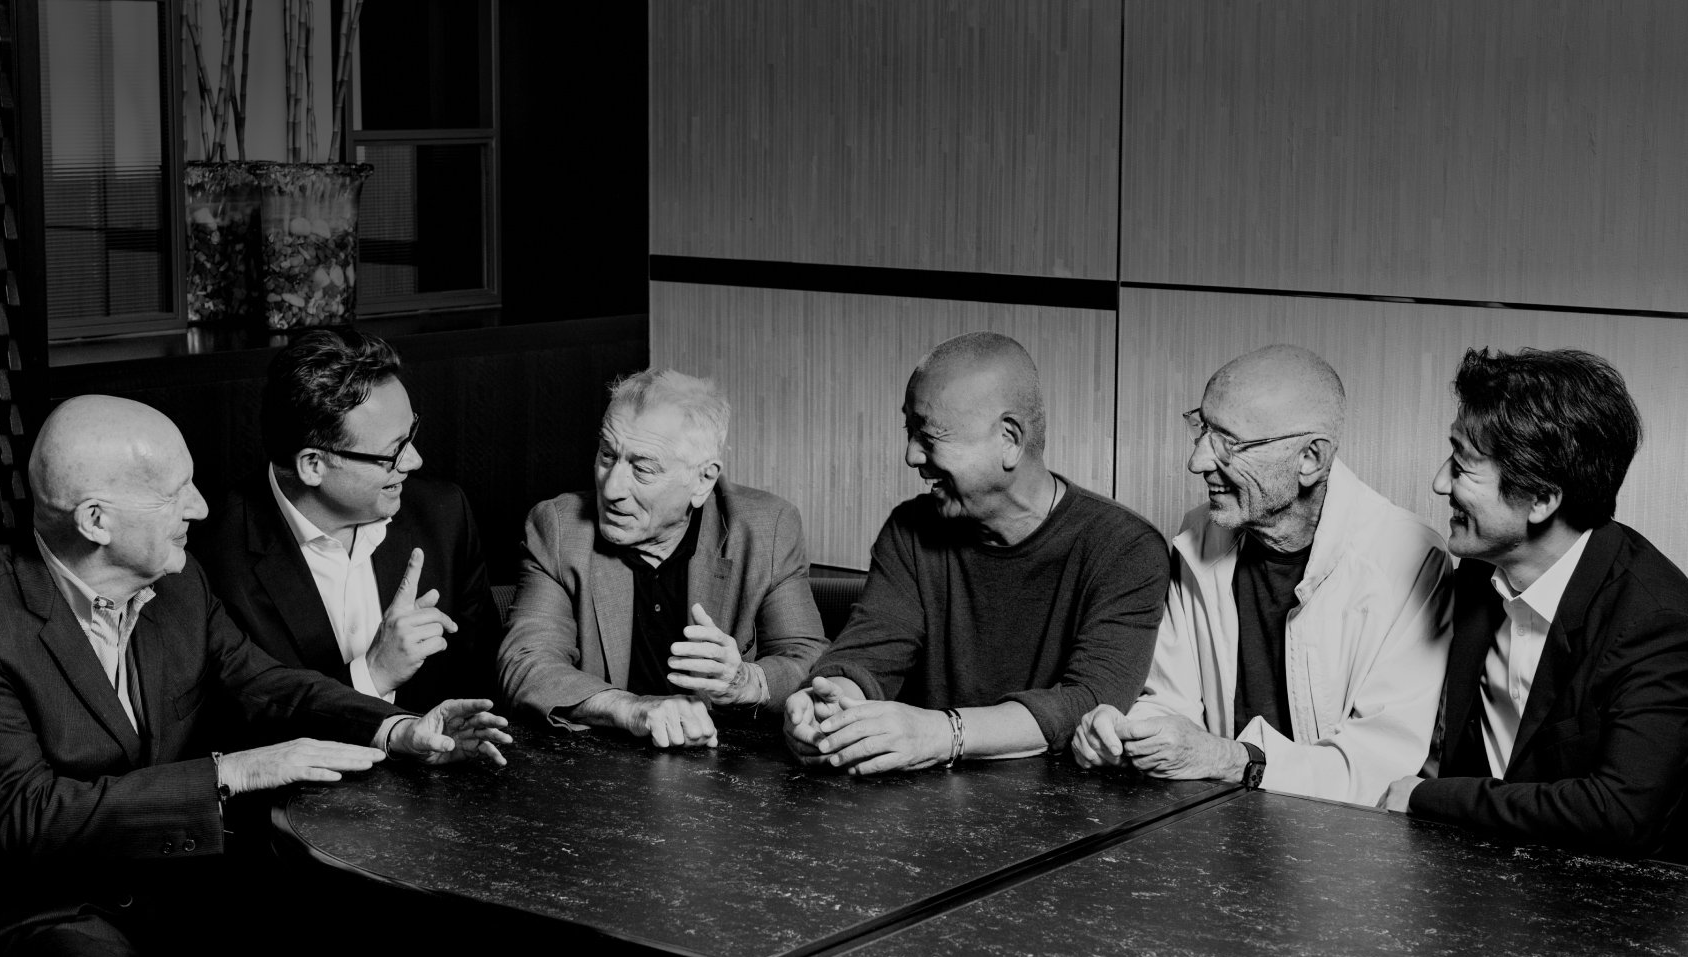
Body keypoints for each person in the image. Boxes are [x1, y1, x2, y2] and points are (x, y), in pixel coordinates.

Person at [0, 395, 510, 957]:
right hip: (24, 912)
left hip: (168, 889)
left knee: (364, 944)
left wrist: (398, 730)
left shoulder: (179, 583)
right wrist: (229, 772)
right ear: (95, 520)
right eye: (175, 492)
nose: (201, 506)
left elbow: (267, 685)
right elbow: (26, 816)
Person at [1384, 348, 1688, 865]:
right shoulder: (1479, 571)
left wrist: (1426, 798)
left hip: (1627, 913)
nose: (1438, 483)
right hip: (1488, 882)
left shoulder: (1658, 623)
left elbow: (1621, 815)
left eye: (1463, 466)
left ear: (1542, 499)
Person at [1072, 345, 1450, 806]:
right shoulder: (1198, 537)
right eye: (1202, 429)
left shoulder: (1411, 559)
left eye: (1229, 442)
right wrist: (1121, 731)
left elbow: (1380, 770)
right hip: (1214, 833)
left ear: (1310, 458)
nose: (1198, 461)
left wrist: (1233, 760)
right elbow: (1171, 702)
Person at [783, 332, 1169, 776]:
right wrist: (826, 702)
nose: (911, 456)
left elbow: (1089, 700)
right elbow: (870, 654)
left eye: (929, 436)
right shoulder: (910, 528)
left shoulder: (1126, 547)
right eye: (909, 432)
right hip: (922, 808)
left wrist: (941, 734)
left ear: (1009, 439)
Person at [498, 369, 826, 747]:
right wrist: (632, 709)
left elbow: (807, 659)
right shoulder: (558, 527)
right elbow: (525, 664)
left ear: (703, 480)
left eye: (643, 469)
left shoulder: (766, 528)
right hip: (599, 764)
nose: (612, 487)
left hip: (726, 771)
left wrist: (744, 682)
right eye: (607, 455)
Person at [192, 328, 498, 713]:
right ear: (313, 465)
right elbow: (237, 730)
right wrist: (373, 674)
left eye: (411, 434)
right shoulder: (212, 560)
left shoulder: (444, 514)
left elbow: (483, 680)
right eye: (393, 451)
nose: (414, 460)